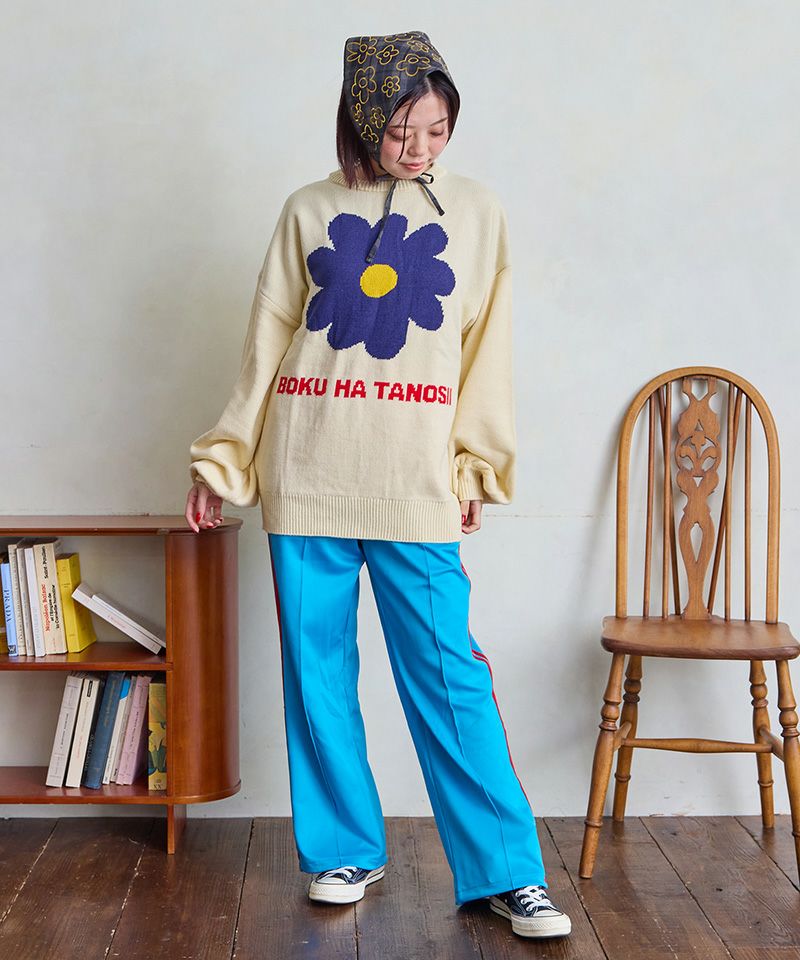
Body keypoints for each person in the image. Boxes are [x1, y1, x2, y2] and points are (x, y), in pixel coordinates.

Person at [184, 30, 571, 941]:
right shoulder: (307, 209)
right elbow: (267, 341)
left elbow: (487, 351)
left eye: (437, 129)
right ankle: (343, 851)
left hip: (413, 478)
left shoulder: (478, 213)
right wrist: (222, 460)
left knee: (449, 675)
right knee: (317, 672)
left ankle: (508, 872)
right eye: (401, 130)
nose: (420, 147)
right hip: (306, 468)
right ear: (362, 121)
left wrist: (473, 464)